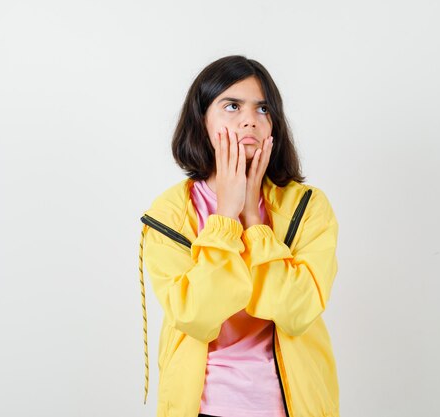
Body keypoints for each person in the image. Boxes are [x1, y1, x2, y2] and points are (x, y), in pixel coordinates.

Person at [138, 55, 340, 417]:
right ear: (201, 121)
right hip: (202, 406)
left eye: (263, 108)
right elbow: (196, 316)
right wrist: (225, 219)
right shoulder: (168, 214)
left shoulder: (307, 206)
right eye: (232, 105)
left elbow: (297, 311)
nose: (250, 119)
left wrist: (254, 220)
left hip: (289, 406)